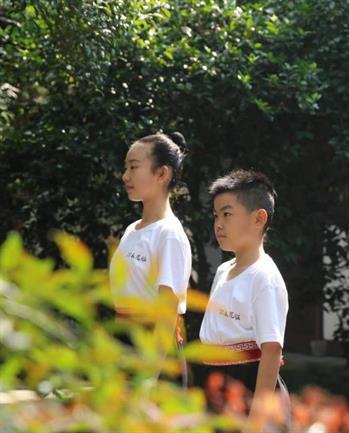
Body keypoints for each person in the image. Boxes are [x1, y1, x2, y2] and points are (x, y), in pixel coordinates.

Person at [198, 169, 289, 418]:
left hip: (247, 382)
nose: (218, 224)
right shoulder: (223, 271)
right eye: (216, 215)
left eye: (227, 214)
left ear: (259, 218)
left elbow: (271, 351)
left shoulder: (264, 277)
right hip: (215, 378)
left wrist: (257, 418)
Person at [109, 132, 191, 383]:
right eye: (126, 168)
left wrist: (147, 380)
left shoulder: (169, 235)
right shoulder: (131, 231)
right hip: (125, 344)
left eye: (134, 167)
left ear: (161, 173)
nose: (125, 176)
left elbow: (166, 316)